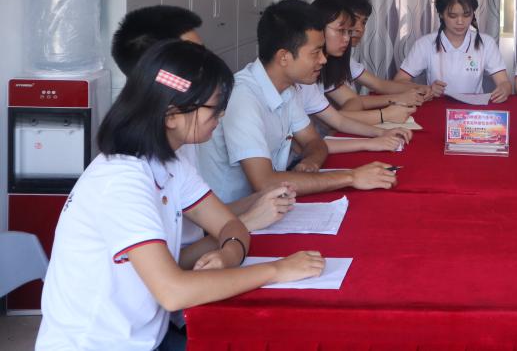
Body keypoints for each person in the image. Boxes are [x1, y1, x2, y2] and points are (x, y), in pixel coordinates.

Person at [37, 40, 324, 351]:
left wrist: (227, 255)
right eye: (214, 108)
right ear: (172, 115)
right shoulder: (121, 181)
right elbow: (173, 292)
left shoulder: (169, 162)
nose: (221, 116)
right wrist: (277, 270)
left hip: (149, 334)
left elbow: (231, 226)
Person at [111, 5, 296, 239]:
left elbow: (202, 220)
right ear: (161, 68)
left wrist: (259, 201)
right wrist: (247, 222)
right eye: (193, 58)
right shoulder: (127, 175)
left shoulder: (181, 141)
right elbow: (174, 259)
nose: (207, 64)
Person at [197, 0, 397, 204]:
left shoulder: (287, 88)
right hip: (231, 213)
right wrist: (352, 177)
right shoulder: (243, 98)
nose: (323, 60)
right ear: (284, 57)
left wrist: (311, 161)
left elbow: (313, 141)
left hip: (272, 203)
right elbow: (264, 183)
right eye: (315, 52)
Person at [299, 0, 413, 153]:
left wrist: (381, 133)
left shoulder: (324, 66)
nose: (348, 37)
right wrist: (382, 118)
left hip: (321, 145)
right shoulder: (301, 78)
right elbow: (309, 143)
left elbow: (341, 117)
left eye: (349, 30)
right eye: (341, 30)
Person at [395, 0, 512, 102]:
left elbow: (504, 83)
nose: (460, 22)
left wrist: (504, 89)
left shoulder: (486, 43)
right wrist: (426, 89)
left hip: (473, 109)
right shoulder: (425, 44)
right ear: (441, 14)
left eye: (466, 15)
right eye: (452, 16)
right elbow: (399, 82)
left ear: (473, 14)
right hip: (436, 107)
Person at [334, 0, 431, 103]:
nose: (360, 29)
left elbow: (379, 85)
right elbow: (351, 102)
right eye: (354, 20)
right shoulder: (325, 62)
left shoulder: (345, 58)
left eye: (364, 22)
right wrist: (396, 100)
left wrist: (421, 88)